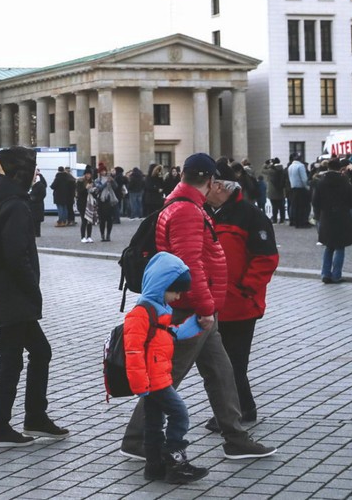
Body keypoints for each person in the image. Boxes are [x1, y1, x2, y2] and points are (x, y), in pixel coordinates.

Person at [120, 152, 276, 461]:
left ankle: (235, 436)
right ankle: (137, 438)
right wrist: (206, 307)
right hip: (193, 308)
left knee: (221, 372)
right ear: (209, 180)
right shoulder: (189, 211)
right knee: (168, 375)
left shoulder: (180, 205)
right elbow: (190, 263)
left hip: (200, 307)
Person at [0, 146, 68, 447]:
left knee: (34, 353)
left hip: (4, 292)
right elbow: (17, 255)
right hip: (15, 295)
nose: (35, 173)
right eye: (32, 167)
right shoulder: (16, 205)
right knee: (14, 359)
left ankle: (32, 417)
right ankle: (1, 426)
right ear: (22, 172)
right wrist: (34, 289)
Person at [204, 159, 279, 429]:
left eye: (209, 186)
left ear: (222, 187)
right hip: (216, 303)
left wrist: (245, 289)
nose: (205, 191)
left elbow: (266, 258)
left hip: (240, 304)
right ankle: (244, 408)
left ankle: (232, 413)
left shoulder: (250, 215)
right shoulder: (209, 213)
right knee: (225, 363)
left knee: (231, 363)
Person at [125, 252, 208, 483]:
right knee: (179, 414)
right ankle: (176, 462)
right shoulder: (141, 313)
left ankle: (154, 466)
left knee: (154, 422)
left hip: (157, 378)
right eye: (176, 291)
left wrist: (194, 324)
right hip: (154, 381)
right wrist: (140, 384)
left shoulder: (159, 312)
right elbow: (132, 351)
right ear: (161, 285)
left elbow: (170, 336)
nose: (178, 296)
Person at [312, 157, 352, 283]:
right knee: (340, 247)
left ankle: (325, 274)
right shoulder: (344, 181)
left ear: (328, 167)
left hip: (326, 217)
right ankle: (336, 275)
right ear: (339, 168)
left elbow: (315, 202)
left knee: (329, 246)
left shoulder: (321, 181)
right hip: (342, 217)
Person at [93, 163, 120, 242]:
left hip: (110, 201)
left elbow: (116, 187)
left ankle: (108, 235)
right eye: (102, 171)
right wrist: (106, 183)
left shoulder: (110, 178)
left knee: (109, 219)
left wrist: (113, 181)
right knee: (102, 220)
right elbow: (99, 188)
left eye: (104, 171)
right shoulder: (97, 180)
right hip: (101, 201)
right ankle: (102, 235)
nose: (104, 172)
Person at [287, 153, 310, 228]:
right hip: (301, 189)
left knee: (295, 206)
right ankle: (302, 222)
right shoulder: (301, 166)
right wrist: (307, 187)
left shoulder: (290, 166)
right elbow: (304, 179)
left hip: (293, 188)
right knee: (302, 207)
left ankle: (295, 222)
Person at [76, 171, 96, 243]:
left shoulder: (92, 182)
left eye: (89, 174)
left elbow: (95, 193)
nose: (88, 176)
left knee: (90, 220)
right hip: (82, 203)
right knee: (84, 220)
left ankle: (89, 236)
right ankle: (83, 237)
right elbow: (79, 192)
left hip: (90, 203)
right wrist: (86, 188)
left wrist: (93, 190)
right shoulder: (80, 181)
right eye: (87, 174)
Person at [265, 158, 285, 223]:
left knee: (274, 207)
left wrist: (267, 163)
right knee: (281, 206)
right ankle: (282, 219)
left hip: (272, 192)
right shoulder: (282, 169)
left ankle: (275, 220)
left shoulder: (270, 170)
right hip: (281, 191)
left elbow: (263, 170)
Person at [28, 169, 47, 237]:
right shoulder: (35, 186)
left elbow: (42, 195)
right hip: (34, 205)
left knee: (36, 221)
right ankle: (35, 233)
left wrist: (33, 198)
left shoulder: (39, 186)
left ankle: (37, 233)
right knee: (34, 221)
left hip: (37, 205)